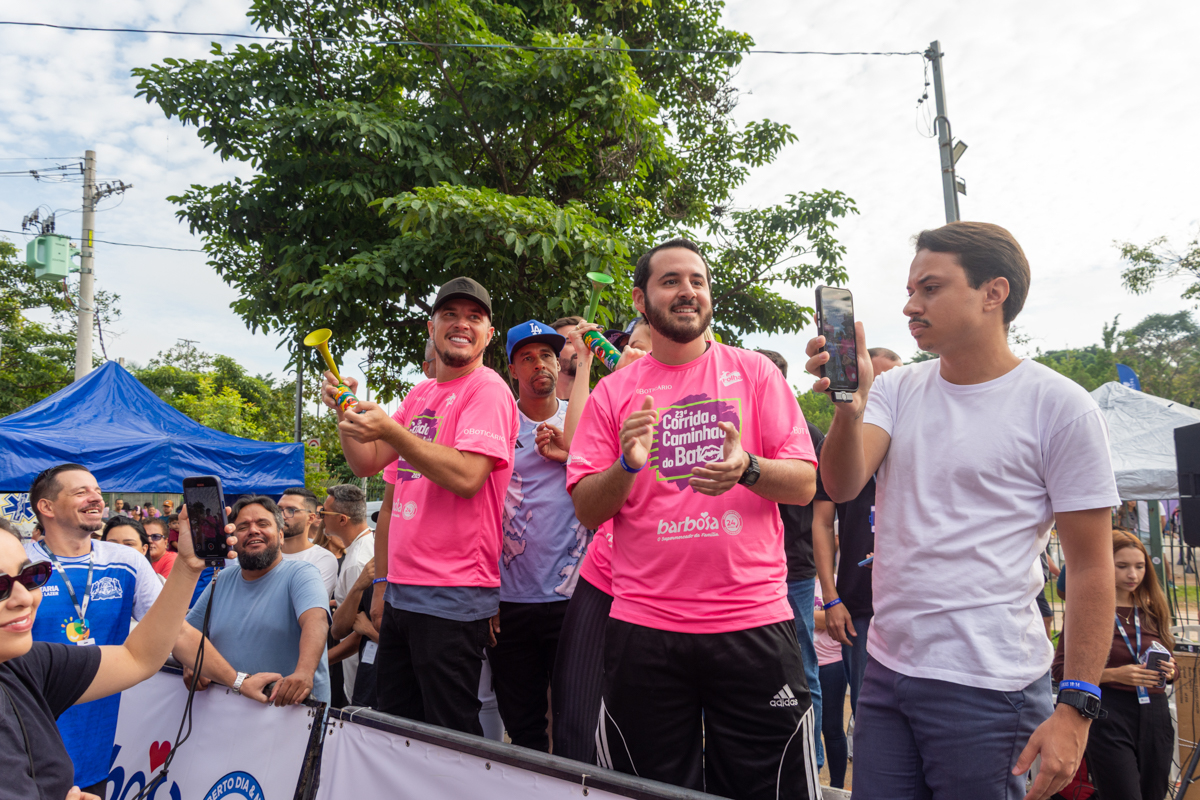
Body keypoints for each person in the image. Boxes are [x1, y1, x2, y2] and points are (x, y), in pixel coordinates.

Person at [805, 221, 1120, 800]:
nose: (910, 306)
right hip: (887, 670)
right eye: (909, 291)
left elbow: (1092, 567)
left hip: (990, 684)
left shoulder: (1060, 407)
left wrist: (1077, 706)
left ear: (993, 293)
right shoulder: (896, 389)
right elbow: (842, 485)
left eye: (930, 289)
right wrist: (849, 408)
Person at [569, 239, 821, 799]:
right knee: (646, 790)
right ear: (640, 300)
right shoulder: (614, 393)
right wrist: (626, 465)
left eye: (697, 281)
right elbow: (586, 507)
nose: (687, 291)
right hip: (645, 629)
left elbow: (805, 482)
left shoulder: (755, 372)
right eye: (670, 281)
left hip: (752, 623)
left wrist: (747, 467)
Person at [329, 276, 518, 735]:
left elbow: (468, 477)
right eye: (450, 314)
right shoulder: (421, 394)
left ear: (488, 334)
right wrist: (344, 414)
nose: (462, 324)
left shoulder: (488, 389)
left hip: (454, 591)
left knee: (450, 733)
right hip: (401, 591)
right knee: (398, 727)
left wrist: (391, 431)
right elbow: (368, 461)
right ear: (432, 328)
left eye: (474, 317)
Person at [25, 465, 252, 799]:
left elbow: (176, 632)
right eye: (81, 492)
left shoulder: (125, 561)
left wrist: (238, 680)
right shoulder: (18, 566)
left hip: (92, 752)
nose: (96, 498)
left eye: (97, 491)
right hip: (23, 752)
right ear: (46, 506)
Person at [489, 320, 593, 751]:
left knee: (577, 725)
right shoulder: (497, 423)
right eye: (527, 358)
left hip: (574, 599)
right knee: (524, 726)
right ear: (512, 369)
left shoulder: (581, 417)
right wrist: (485, 593)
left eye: (547, 355)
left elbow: (608, 484)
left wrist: (569, 455)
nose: (540, 365)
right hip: (509, 603)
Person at [1052, 530, 1177, 800]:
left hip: (1155, 713)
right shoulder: (1087, 610)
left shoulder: (1153, 609)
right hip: (1109, 712)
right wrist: (1114, 675)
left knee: (1154, 793)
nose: (1132, 574)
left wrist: (1170, 671)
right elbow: (1061, 672)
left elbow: (1171, 660)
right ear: (1105, 565)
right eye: (1122, 566)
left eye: (1139, 566)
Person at [814, 346, 902, 715]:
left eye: (894, 380)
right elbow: (821, 523)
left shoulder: (918, 438)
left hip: (915, 600)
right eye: (876, 380)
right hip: (859, 605)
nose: (885, 389)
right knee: (870, 713)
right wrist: (831, 599)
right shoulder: (838, 446)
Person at [186, 495, 332, 706]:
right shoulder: (222, 579)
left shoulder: (302, 573)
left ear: (280, 536)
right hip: (227, 712)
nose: (253, 530)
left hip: (291, 711)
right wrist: (191, 661)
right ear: (232, 539)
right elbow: (187, 634)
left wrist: (304, 673)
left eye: (263, 524)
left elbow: (316, 621)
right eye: (243, 527)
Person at [756, 348, 828, 769]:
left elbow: (821, 507)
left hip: (794, 566)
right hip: (747, 568)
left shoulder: (809, 431)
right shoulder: (739, 426)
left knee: (802, 666)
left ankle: (811, 759)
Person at [322, 484, 374, 704]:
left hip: (362, 670)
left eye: (324, 513)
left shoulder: (357, 562)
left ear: (342, 519)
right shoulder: (363, 547)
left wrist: (317, 663)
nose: (321, 518)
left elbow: (359, 632)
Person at [813, 585, 847, 789]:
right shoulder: (792, 580)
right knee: (806, 728)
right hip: (801, 663)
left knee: (832, 728)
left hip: (831, 663)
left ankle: (837, 787)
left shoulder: (834, 583)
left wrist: (802, 612)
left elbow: (836, 620)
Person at [278, 487, 339, 597]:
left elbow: (311, 601)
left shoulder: (322, 559)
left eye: (291, 510)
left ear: (311, 518)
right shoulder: (265, 553)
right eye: (278, 510)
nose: (281, 516)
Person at [551, 315, 585, 400]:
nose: (580, 347)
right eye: (570, 342)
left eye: (584, 341)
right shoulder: (535, 404)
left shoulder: (600, 401)